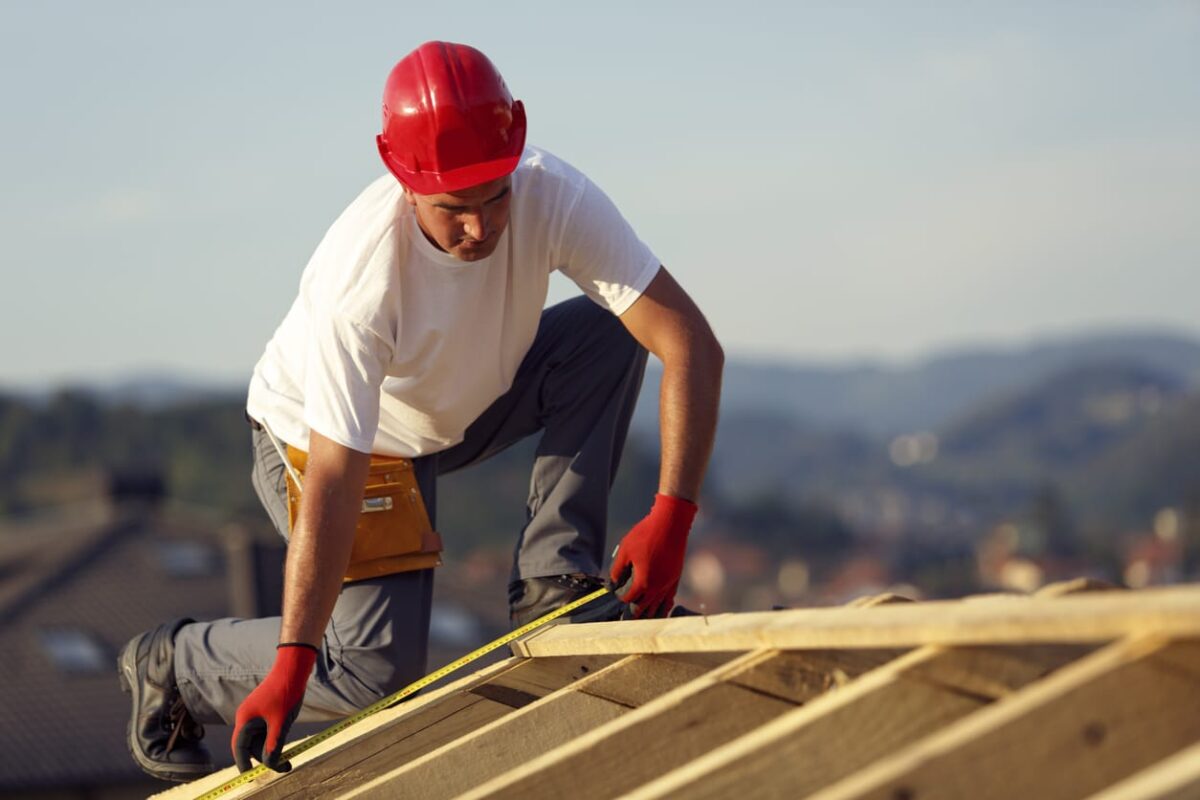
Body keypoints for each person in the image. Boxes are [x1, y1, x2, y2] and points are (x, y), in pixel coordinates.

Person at [118, 40, 723, 782]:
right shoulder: (361, 284)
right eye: (453, 211)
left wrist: (674, 514)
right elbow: (336, 480)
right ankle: (173, 665)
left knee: (610, 328)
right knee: (372, 673)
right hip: (338, 438)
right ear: (404, 183)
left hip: (459, 401)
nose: (481, 228)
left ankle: (551, 584)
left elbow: (690, 343)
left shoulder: (553, 194)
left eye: (494, 197)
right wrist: (294, 659)